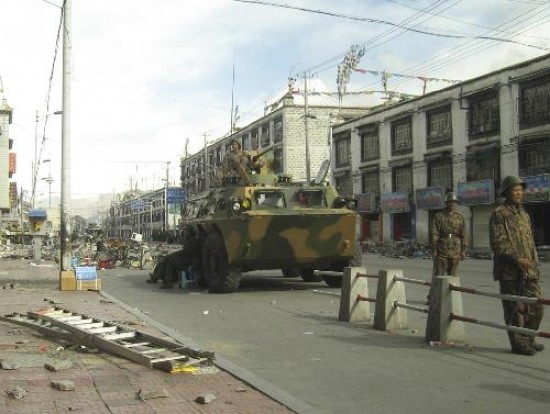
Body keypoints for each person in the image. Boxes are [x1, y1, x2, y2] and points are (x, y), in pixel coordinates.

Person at [489, 176, 544, 356]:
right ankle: (519, 344)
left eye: (521, 189)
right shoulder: (499, 214)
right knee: (515, 309)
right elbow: (499, 243)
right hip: (509, 271)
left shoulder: (524, 214)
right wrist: (516, 258)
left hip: (529, 270)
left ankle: (529, 338)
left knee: (537, 305)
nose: (519, 193)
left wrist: (535, 265)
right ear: (506, 192)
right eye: (515, 190)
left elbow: (530, 243)